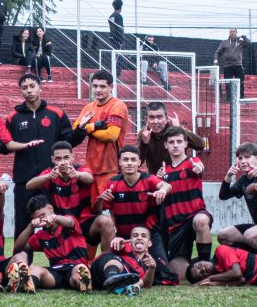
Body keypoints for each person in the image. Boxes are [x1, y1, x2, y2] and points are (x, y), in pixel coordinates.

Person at [5, 73, 81, 233]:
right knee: (23, 224)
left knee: (55, 223)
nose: (29, 90)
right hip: (23, 179)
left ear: (40, 88)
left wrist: (82, 130)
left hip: (52, 179)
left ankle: (62, 257)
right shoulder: (13, 117)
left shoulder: (56, 114)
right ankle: (22, 258)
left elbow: (68, 141)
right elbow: (4, 145)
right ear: (20, 91)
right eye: (24, 88)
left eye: (32, 86)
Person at [97, 146, 173, 282]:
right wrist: (101, 199)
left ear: (139, 162)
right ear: (119, 162)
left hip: (148, 237)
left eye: (133, 159)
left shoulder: (148, 179)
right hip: (124, 238)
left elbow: (166, 186)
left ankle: (136, 274)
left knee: (163, 273)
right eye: (125, 159)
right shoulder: (112, 183)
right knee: (109, 262)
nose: (129, 163)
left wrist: (162, 191)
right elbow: (103, 211)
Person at [26, 141, 114, 253]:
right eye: (58, 159)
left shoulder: (80, 170)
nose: (63, 162)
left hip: (84, 221)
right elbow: (29, 186)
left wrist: (77, 175)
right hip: (62, 223)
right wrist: (47, 177)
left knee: (106, 222)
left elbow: (89, 178)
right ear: (53, 160)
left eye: (66, 157)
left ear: (72, 157)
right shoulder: (50, 173)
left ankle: (107, 260)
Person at [157, 126, 213, 278]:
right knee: (180, 274)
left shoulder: (192, 162)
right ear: (166, 145)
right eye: (171, 142)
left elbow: (199, 168)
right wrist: (159, 180)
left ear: (185, 144)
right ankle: (198, 265)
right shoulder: (164, 171)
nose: (175, 145)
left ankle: (205, 264)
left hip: (194, 214)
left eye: (179, 141)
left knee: (201, 221)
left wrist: (198, 168)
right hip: (175, 225)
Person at [11, 195, 93, 292]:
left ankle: (84, 283)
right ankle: (27, 283)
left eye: (43, 215)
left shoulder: (67, 222)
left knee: (78, 270)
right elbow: (18, 247)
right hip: (56, 273)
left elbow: (69, 222)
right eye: (38, 218)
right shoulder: (41, 235)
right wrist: (31, 226)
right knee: (33, 269)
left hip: (74, 267)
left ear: (51, 208)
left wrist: (54, 218)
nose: (42, 220)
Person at [73, 70, 128, 195]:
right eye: (95, 86)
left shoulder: (117, 105)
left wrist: (88, 129)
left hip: (110, 168)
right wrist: (95, 126)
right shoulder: (89, 107)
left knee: (108, 209)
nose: (98, 90)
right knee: (94, 210)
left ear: (111, 87)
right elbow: (75, 128)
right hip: (91, 168)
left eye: (102, 86)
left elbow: (111, 135)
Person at [137, 101, 204, 176]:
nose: (156, 121)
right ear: (146, 120)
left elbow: (201, 145)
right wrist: (144, 143)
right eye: (152, 117)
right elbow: (138, 162)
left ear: (166, 118)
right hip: (156, 179)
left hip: (178, 176)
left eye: (159, 117)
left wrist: (180, 128)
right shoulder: (143, 134)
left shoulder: (175, 129)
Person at [89, 226, 155, 295]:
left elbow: (146, 285)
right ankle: (112, 278)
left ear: (149, 243)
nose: (139, 238)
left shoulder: (145, 265)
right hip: (101, 267)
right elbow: (118, 245)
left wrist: (152, 268)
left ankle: (122, 288)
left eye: (144, 236)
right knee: (116, 260)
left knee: (138, 279)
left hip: (100, 284)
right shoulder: (127, 249)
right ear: (130, 242)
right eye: (135, 236)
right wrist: (117, 241)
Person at [213, 28, 248, 100]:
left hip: (238, 65)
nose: (232, 33)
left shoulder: (240, 42)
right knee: (228, 82)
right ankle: (229, 98)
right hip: (228, 66)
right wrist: (216, 59)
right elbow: (217, 52)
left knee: (240, 82)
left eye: (233, 31)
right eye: (231, 32)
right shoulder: (224, 42)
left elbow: (248, 42)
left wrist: (244, 37)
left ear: (236, 33)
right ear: (229, 33)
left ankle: (240, 97)